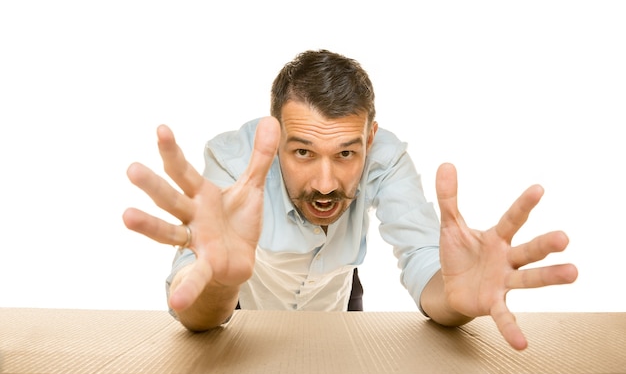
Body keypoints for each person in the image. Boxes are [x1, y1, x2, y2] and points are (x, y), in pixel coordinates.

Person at [123, 49, 578, 351]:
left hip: (337, 307)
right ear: (275, 134)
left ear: (370, 136)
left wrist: (456, 300)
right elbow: (195, 305)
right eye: (302, 152)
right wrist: (221, 284)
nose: (325, 184)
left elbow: (426, 265)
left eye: (346, 153)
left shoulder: (386, 158)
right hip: (245, 311)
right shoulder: (232, 162)